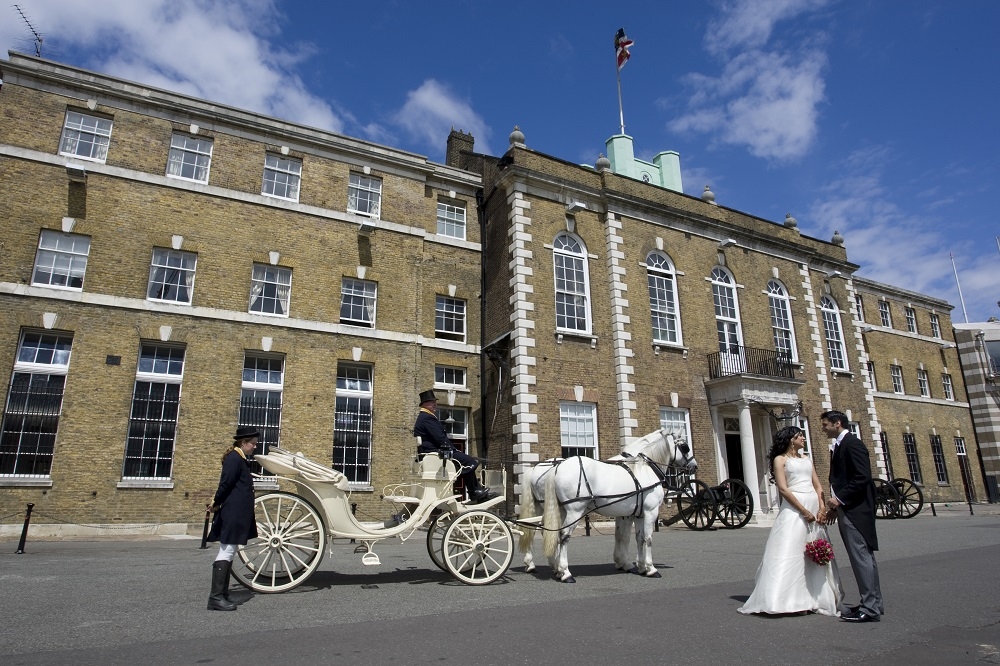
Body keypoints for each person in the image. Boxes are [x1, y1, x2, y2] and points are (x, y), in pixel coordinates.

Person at [739, 425, 843, 616]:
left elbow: (818, 485)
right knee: (790, 551)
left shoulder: (806, 459)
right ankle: (786, 600)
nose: (803, 438)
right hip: (795, 511)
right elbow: (784, 489)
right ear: (790, 440)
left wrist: (821, 508)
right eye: (799, 436)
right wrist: (803, 510)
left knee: (814, 550)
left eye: (802, 435)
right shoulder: (780, 460)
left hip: (814, 509)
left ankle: (815, 597)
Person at [822, 410, 883, 623]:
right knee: (864, 557)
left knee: (861, 558)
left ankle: (870, 607)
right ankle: (874, 603)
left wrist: (838, 499)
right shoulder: (841, 444)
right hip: (850, 508)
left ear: (837, 423)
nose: (823, 428)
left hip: (855, 509)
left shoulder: (852, 443)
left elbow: (862, 477)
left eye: (825, 424)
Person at [205, 425, 259, 611]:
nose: (254, 446)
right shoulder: (234, 459)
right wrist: (215, 502)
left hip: (237, 512)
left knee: (230, 551)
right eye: (252, 443)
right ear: (243, 443)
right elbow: (225, 484)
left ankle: (222, 593)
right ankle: (216, 597)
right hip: (232, 512)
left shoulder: (239, 458)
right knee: (226, 551)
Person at [413, 389, 495, 503]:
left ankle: (476, 490)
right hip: (437, 453)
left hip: (434, 452)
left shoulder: (425, 416)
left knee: (466, 461)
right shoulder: (427, 418)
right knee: (469, 461)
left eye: (434, 402)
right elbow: (440, 438)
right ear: (425, 404)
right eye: (432, 402)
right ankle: (474, 492)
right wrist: (453, 449)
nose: (435, 404)